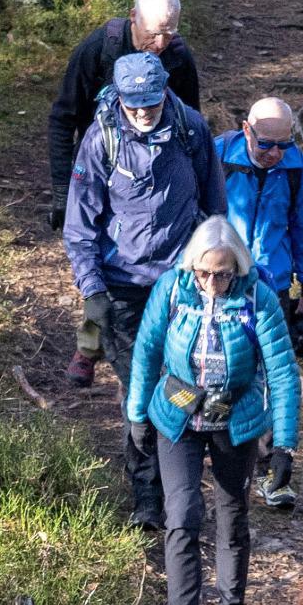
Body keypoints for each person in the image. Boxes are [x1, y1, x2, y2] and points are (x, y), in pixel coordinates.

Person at [126, 216, 301, 605]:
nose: (212, 281)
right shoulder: (171, 289)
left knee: (231, 516)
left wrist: (283, 445)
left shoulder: (257, 297)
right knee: (182, 516)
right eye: (204, 272)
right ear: (192, 266)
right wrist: (136, 415)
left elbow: (282, 371)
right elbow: (146, 350)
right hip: (177, 414)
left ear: (237, 267)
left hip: (235, 419)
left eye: (222, 273)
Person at [63, 52, 226, 531]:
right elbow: (79, 226)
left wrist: (221, 275)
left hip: (180, 285)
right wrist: (92, 292)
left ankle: (178, 492)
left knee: (179, 386)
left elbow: (215, 210)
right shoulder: (102, 138)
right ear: (119, 97)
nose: (141, 112)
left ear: (164, 93)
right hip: (122, 290)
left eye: (150, 103)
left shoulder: (190, 129)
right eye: (133, 104)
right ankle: (147, 499)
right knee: (139, 393)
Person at [216, 97, 303, 510]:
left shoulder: (297, 168)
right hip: (220, 281)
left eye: (284, 144)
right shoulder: (217, 156)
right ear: (246, 130)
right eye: (266, 144)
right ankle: (218, 452)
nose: (275, 154)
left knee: (270, 373)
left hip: (273, 287)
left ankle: (270, 469)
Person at [47, 0, 202, 233]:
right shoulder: (98, 50)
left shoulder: (178, 57)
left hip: (157, 174)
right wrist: (63, 190)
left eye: (170, 33)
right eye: (152, 33)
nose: (161, 43)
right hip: (98, 165)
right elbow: (63, 119)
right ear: (133, 16)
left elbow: (193, 125)